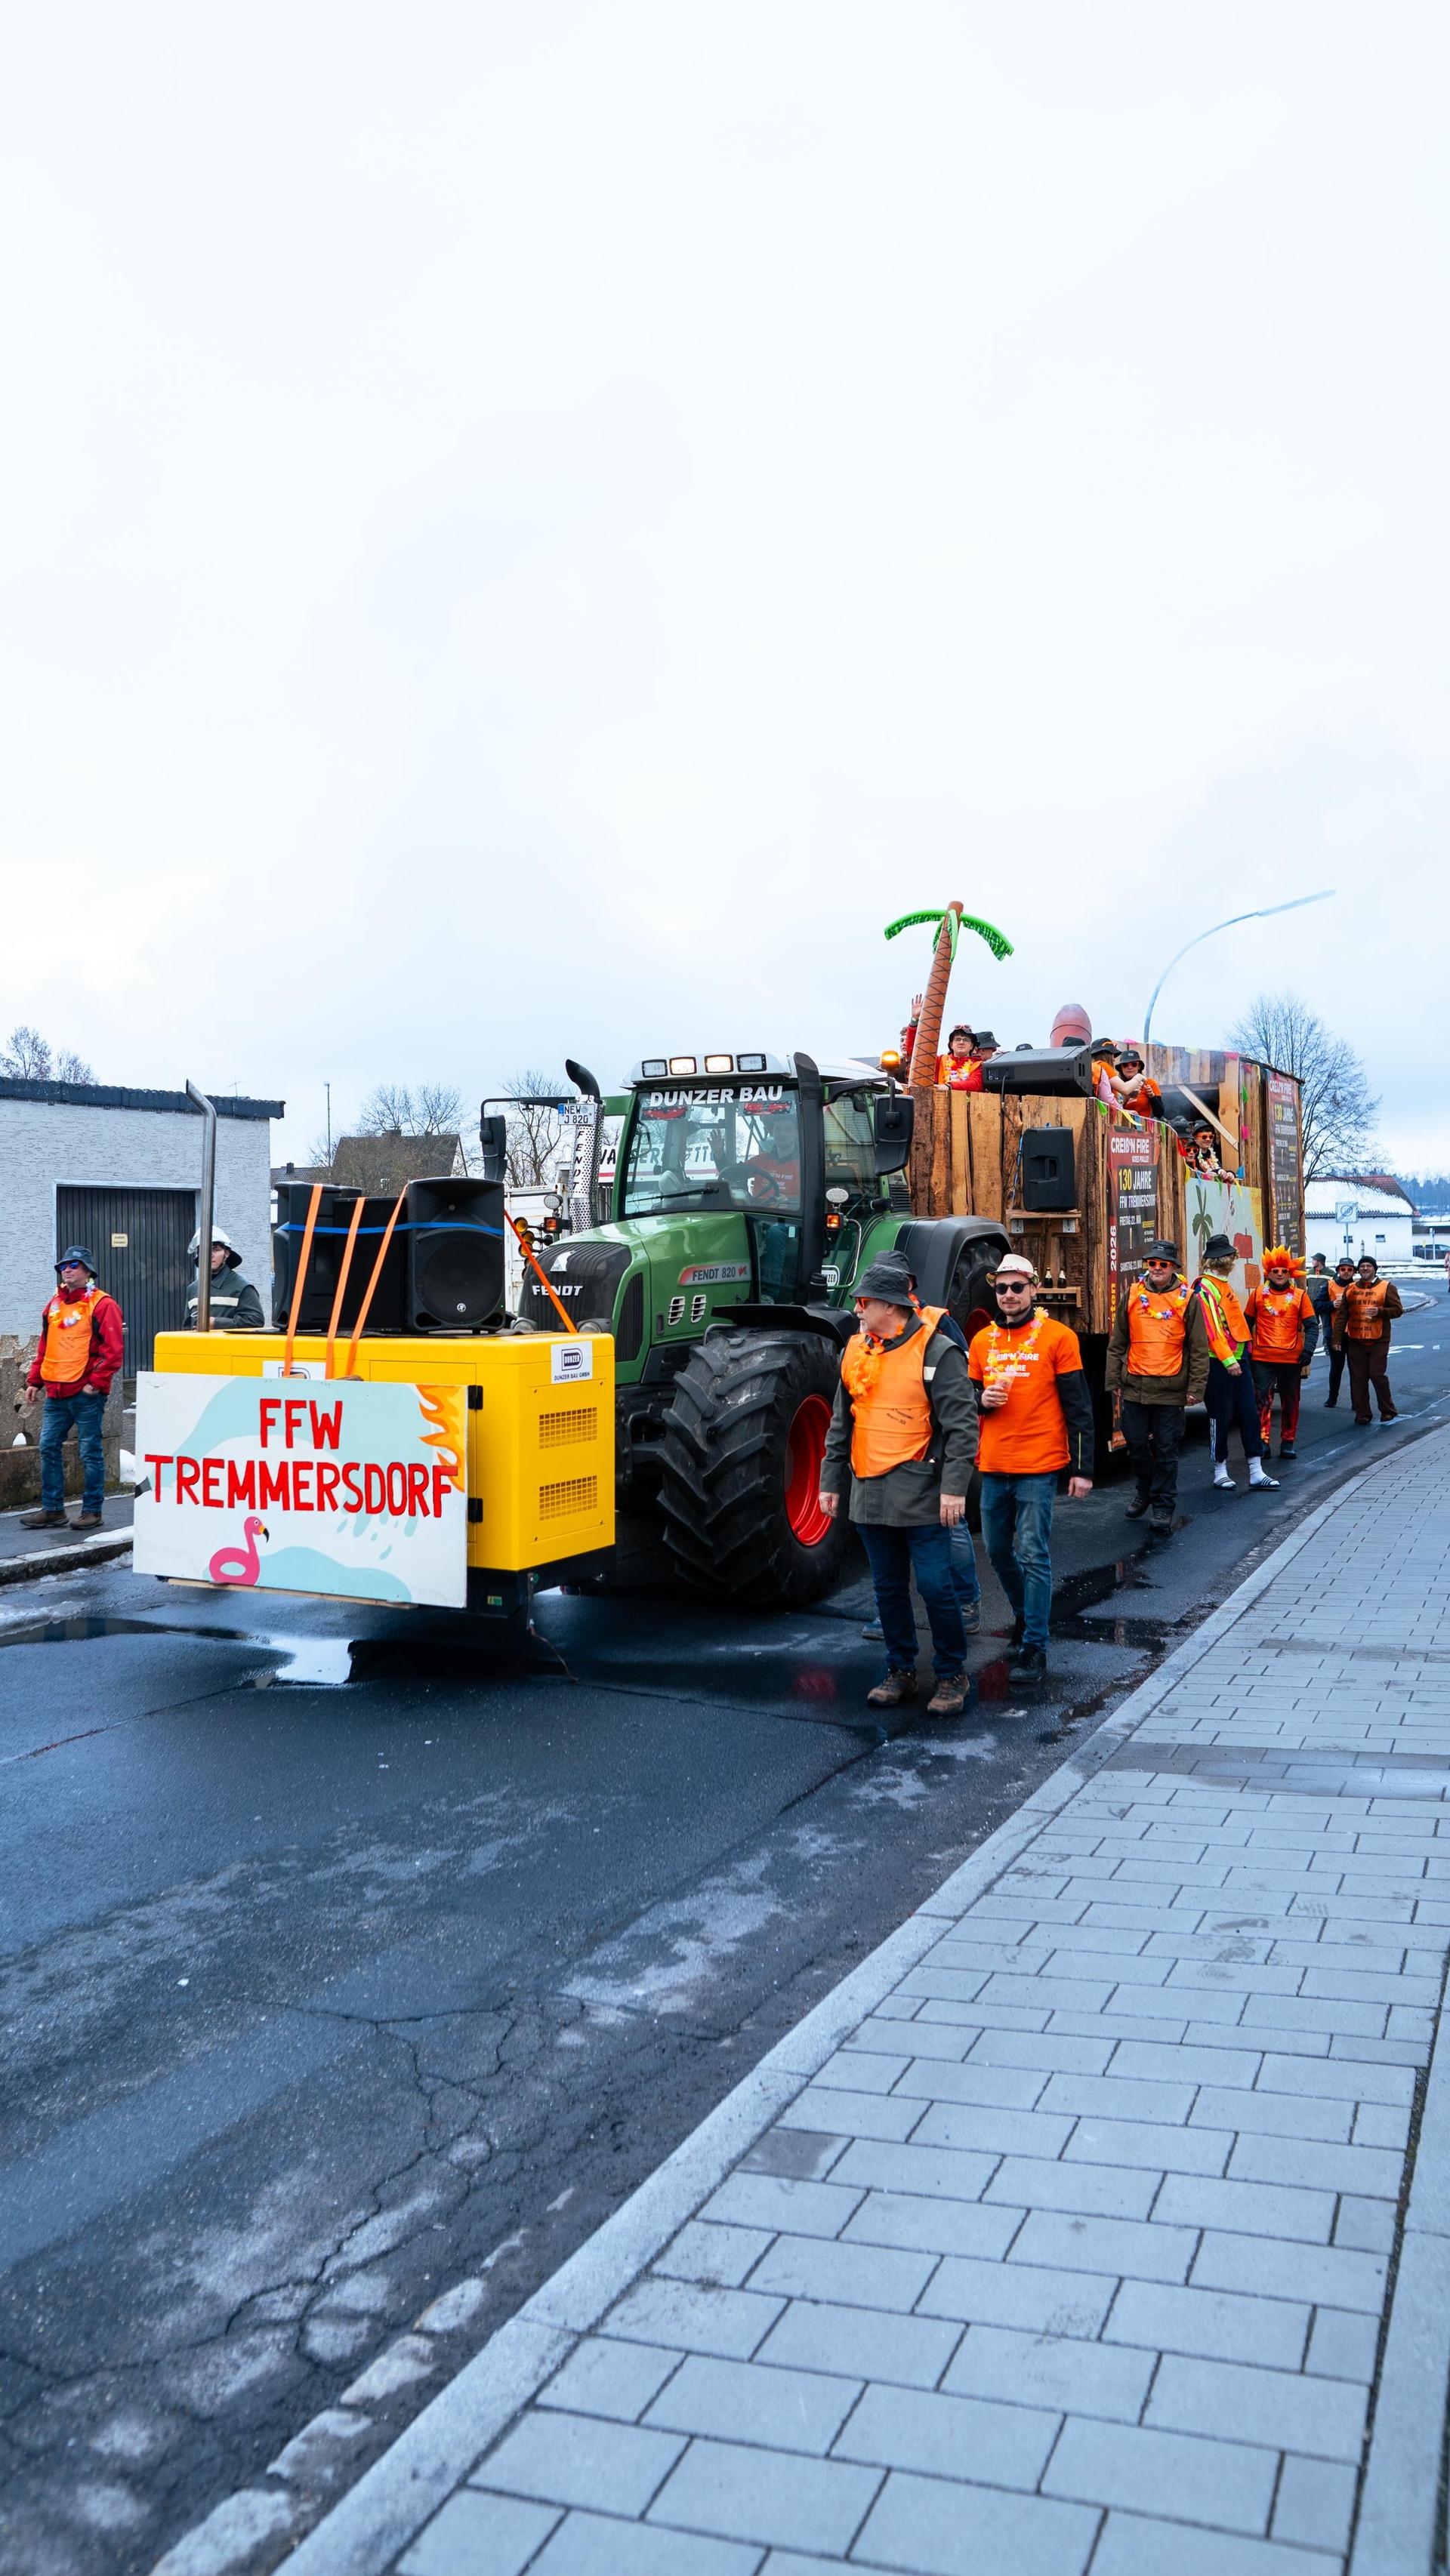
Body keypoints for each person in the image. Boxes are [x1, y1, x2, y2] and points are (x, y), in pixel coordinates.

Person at [820, 1252, 976, 1716]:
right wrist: (831, 1482)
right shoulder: (854, 1350)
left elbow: (961, 1426)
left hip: (922, 1492)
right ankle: (901, 1670)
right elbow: (839, 1424)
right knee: (887, 1589)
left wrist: (953, 1489)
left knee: (934, 1587)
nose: (858, 1310)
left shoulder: (937, 1350)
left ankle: (951, 1674)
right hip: (869, 1492)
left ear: (890, 1306)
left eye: (864, 1302)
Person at [967, 1253, 1094, 1680]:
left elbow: (1079, 1406)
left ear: (1033, 1290)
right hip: (994, 1464)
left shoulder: (1059, 1337)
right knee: (998, 1551)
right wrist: (981, 1400)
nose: (1008, 1295)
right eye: (1001, 1288)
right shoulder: (982, 1342)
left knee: (1033, 1553)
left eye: (1017, 1287)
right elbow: (966, 1400)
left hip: (1039, 1466)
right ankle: (1026, 1616)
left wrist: (1082, 1468)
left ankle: (1035, 1647)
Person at [1105, 1237, 1209, 1533]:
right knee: (1136, 1444)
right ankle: (1146, 1490)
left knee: (1166, 1450)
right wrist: (1113, 1379)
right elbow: (1118, 1342)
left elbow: (1199, 1349)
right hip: (1135, 1385)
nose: (1157, 1269)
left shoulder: (1189, 1299)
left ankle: (1163, 1506)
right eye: (1152, 1263)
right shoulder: (1133, 1294)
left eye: (1163, 1264)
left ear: (1174, 1267)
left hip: (1171, 1388)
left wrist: (1195, 1389)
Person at [20, 1246, 124, 1532]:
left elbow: (113, 1352)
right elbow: (46, 1345)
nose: (67, 1270)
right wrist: (34, 1381)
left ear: (88, 1271)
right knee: (48, 1447)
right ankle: (53, 1510)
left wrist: (96, 1384)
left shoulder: (103, 1304)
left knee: (90, 1451)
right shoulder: (54, 1304)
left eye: (74, 1265)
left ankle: (92, 1511)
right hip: (55, 1392)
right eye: (63, 1266)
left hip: (85, 1393)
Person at [1192, 1233, 1279, 1494]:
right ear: (1211, 1261)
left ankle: (1256, 1471)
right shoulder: (1204, 1288)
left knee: (1249, 1413)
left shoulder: (1223, 1284)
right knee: (1220, 1415)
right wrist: (1228, 1360)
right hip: (1220, 1362)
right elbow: (1211, 1328)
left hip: (1239, 1357)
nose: (1226, 1260)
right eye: (1220, 1257)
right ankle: (1220, 1471)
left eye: (1227, 1256)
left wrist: (1243, 1355)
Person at [1245, 1249, 1319, 1459]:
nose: (1279, 1274)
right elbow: (1246, 1323)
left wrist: (1308, 1350)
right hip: (1262, 1358)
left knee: (1291, 1400)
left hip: (1292, 1358)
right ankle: (1262, 1442)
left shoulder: (1300, 1296)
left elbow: (1312, 1326)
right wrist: (1246, 1351)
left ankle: (1288, 1442)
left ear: (1290, 1274)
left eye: (1284, 1270)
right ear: (1268, 1272)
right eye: (1275, 1270)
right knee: (1261, 1400)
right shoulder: (1258, 1294)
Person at [1335, 1255, 1403, 1425]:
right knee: (1358, 1378)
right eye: (1363, 1266)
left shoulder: (1387, 1287)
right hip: (1355, 1340)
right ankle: (1362, 1414)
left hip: (1379, 1339)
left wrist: (1380, 1311)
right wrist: (1336, 1339)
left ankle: (1388, 1410)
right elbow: (1342, 1315)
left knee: (1377, 1375)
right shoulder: (1350, 1289)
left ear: (1375, 1269)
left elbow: (1397, 1310)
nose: (1365, 1269)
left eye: (1369, 1266)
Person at [186, 1225, 266, 1330]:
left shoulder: (242, 1287)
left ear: (227, 1253)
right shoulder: (193, 1289)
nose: (210, 1255)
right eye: (205, 1250)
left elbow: (255, 1321)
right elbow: (187, 1327)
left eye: (215, 1250)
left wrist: (216, 1323)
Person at [1322, 1256, 1356, 1406]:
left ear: (1354, 1271)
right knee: (1336, 1367)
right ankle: (1332, 1398)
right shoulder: (1329, 1285)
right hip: (1335, 1334)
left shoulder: (1359, 1286)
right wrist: (1331, 1305)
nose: (1346, 1272)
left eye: (1349, 1269)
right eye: (1343, 1269)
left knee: (1355, 1369)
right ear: (1338, 1271)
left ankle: (1357, 1402)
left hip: (1356, 1334)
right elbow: (1317, 1305)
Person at [1109, 1046, 1163, 1115]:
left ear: (1139, 1066)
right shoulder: (1116, 1085)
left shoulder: (1150, 1083)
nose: (1130, 1067)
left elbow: (1160, 1114)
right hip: (1120, 1125)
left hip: (1143, 1125)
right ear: (1121, 1068)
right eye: (1125, 1065)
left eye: (1134, 1064)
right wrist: (1126, 1099)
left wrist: (1152, 1096)